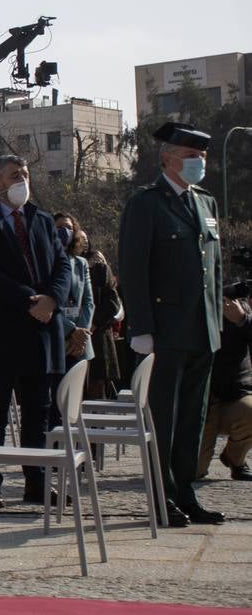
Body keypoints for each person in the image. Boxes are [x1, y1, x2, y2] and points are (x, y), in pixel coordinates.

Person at [119, 121, 225, 526]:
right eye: (190, 157)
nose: (198, 163)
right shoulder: (146, 203)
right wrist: (141, 327)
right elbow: (133, 267)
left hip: (203, 330)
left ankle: (186, 492)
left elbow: (211, 270)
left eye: (201, 157)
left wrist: (217, 321)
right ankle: (161, 496)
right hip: (165, 330)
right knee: (163, 417)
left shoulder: (205, 202)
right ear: (167, 159)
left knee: (192, 419)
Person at [0, 155, 70, 509]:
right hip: (2, 331)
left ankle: (36, 482)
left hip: (41, 331)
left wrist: (52, 299)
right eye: (14, 175)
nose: (22, 180)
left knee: (37, 412)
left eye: (24, 174)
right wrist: (30, 300)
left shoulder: (41, 219)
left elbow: (62, 265)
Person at [201, 289, 252, 481]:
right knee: (193, 472)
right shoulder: (187, 307)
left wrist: (242, 320)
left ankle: (235, 458)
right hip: (200, 399)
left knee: (250, 411)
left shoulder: (234, 309)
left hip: (232, 395)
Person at [53, 213, 95, 376]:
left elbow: (88, 302)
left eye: (69, 228)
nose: (65, 231)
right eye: (60, 227)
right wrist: (70, 331)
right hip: (57, 338)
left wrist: (81, 333)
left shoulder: (80, 263)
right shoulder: (44, 262)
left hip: (80, 344)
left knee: (75, 397)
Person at [83, 234, 123, 399]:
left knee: (96, 394)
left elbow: (113, 303)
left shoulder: (99, 269)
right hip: (68, 340)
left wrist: (94, 322)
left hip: (97, 339)